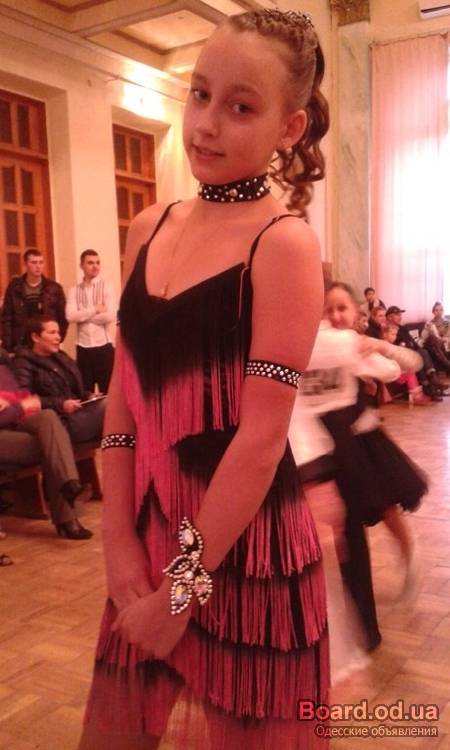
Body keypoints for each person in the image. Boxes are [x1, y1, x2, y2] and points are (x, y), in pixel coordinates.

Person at [79, 9, 330, 750]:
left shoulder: (283, 246)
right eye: (199, 94)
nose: (207, 124)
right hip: (150, 536)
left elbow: (260, 441)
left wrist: (182, 593)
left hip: (249, 557)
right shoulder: (147, 226)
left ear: (289, 128)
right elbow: (124, 401)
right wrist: (117, 539)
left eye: (241, 107)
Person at [323, 283, 427, 601]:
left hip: (363, 439)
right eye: (329, 309)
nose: (335, 315)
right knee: (340, 514)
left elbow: (410, 364)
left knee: (384, 506)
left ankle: (410, 556)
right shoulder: (320, 345)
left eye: (342, 308)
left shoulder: (358, 345)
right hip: (329, 444)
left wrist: (382, 346)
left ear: (356, 312)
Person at [0, 347, 92, 539]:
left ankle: (70, 485)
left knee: (48, 417)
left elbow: (21, 394)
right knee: (54, 446)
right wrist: (21, 406)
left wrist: (19, 402)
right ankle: (67, 519)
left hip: (17, 420)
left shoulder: (5, 361)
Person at [13, 317, 105, 444]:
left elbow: (73, 391)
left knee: (110, 404)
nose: (58, 337)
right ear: (35, 337)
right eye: (52, 333)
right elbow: (26, 400)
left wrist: (89, 396)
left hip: (78, 414)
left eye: (58, 333)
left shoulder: (61, 357)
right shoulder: (23, 363)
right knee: (109, 407)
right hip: (59, 422)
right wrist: (61, 404)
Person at [66, 250, 117, 393]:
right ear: (81, 265)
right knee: (85, 392)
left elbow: (110, 316)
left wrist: (82, 315)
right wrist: (95, 309)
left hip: (104, 346)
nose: (95, 266)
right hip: (83, 347)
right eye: (90, 263)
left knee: (108, 392)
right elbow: (70, 317)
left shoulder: (107, 287)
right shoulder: (74, 290)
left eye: (97, 263)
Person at [1, 248, 67, 352]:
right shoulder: (14, 287)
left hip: (46, 342)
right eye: (34, 262)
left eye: (41, 262)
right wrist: (8, 346)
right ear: (25, 264)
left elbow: (62, 317)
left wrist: (57, 338)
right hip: (20, 342)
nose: (38, 266)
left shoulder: (54, 288)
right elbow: (7, 318)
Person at [386, 305, 445, 399]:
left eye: (400, 314)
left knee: (422, 352)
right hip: (401, 355)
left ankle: (432, 380)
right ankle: (430, 387)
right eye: (397, 315)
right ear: (389, 317)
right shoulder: (388, 329)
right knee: (418, 357)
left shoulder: (403, 328)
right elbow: (395, 345)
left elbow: (412, 341)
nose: (400, 317)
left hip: (411, 351)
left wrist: (416, 348)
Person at [382, 324, 431, 405]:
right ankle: (417, 396)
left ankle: (416, 394)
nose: (395, 337)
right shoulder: (384, 345)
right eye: (393, 334)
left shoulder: (390, 345)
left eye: (396, 335)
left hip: (392, 368)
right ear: (384, 334)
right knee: (409, 372)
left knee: (410, 368)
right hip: (387, 371)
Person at [420, 302, 450, 376]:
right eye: (436, 310)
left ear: (443, 311)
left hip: (442, 344)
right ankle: (447, 364)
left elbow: (447, 336)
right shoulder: (430, 323)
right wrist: (427, 329)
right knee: (432, 338)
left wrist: (440, 338)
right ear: (433, 312)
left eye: (441, 310)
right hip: (432, 344)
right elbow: (423, 337)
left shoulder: (446, 323)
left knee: (435, 339)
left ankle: (447, 365)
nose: (439, 312)